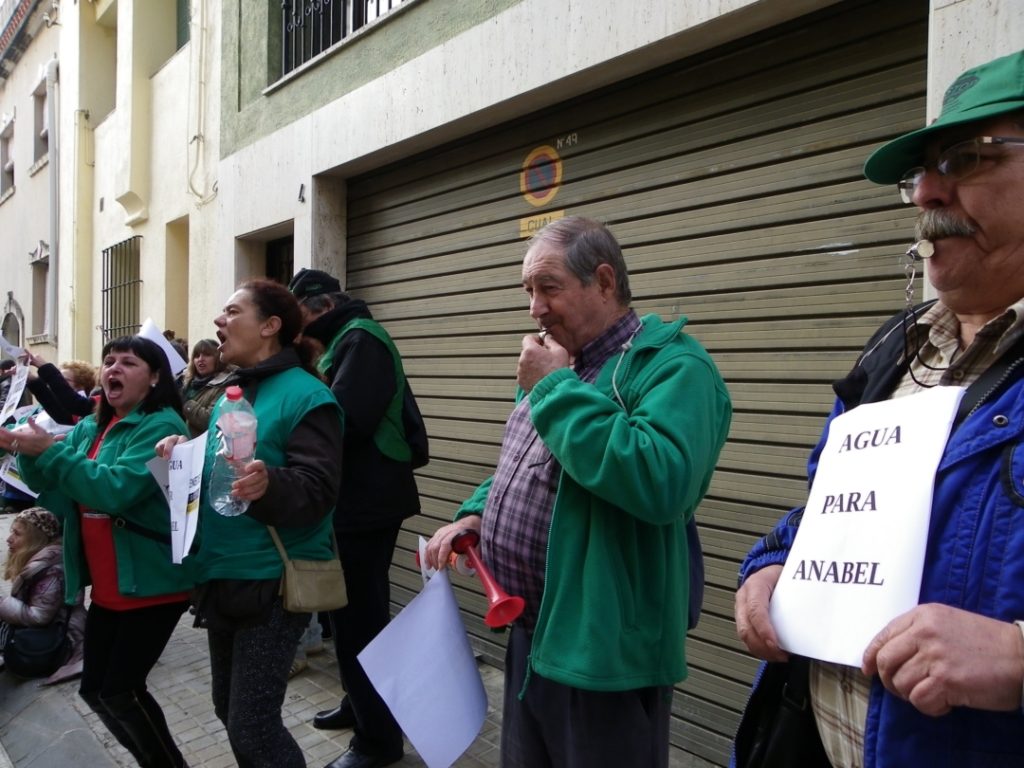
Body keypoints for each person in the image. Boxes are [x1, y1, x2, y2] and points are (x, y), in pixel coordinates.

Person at [733, 50, 1024, 767]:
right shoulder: (896, 349)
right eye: (918, 173)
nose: (926, 191)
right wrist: (774, 566)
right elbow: (831, 509)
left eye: (963, 159)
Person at [425, 216, 731, 767]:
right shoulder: (560, 367)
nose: (535, 308)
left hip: (602, 654)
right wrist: (475, 516)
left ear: (605, 282)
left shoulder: (674, 367)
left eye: (549, 288)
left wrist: (552, 389)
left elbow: (661, 479)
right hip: (532, 635)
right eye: (529, 291)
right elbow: (525, 463)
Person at [158, 279, 343, 768]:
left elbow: (319, 491)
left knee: (253, 726)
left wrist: (271, 484)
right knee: (228, 710)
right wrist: (183, 456)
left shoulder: (308, 395)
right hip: (223, 576)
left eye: (231, 311)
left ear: (270, 326)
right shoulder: (231, 394)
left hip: (272, 582)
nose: (219, 321)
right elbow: (223, 472)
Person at [0, 336, 194, 767]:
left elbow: (113, 490)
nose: (114, 369)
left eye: (128, 362)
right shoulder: (91, 425)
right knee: (95, 690)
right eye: (109, 361)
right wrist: (25, 449)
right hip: (108, 585)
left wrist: (48, 453)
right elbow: (51, 486)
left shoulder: (161, 426)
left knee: (121, 691)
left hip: (153, 582)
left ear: (156, 377)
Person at [288, 269, 424, 768]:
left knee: (359, 623)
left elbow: (345, 420)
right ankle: (359, 704)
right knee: (349, 619)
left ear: (320, 308)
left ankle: (378, 742)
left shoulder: (360, 339)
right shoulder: (345, 339)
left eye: (296, 319)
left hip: (367, 504)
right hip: (358, 501)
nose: (292, 331)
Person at [0, 507, 86, 682]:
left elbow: (39, 616)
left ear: (35, 538)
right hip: (50, 633)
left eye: (17, 534)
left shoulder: (51, 569)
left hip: (61, 643)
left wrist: (1, 603)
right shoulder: (42, 562)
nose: (9, 539)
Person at [179, 338, 234, 436]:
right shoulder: (188, 383)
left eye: (207, 355)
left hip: (206, 446)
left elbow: (209, 420)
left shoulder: (225, 385)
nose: (200, 359)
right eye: (196, 356)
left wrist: (186, 404)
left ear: (218, 358)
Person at [24, 352, 97, 425]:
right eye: (59, 378)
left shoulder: (84, 406)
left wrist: (44, 367)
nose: (59, 382)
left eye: (63, 380)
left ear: (81, 384)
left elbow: (73, 406)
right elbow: (59, 413)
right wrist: (32, 380)